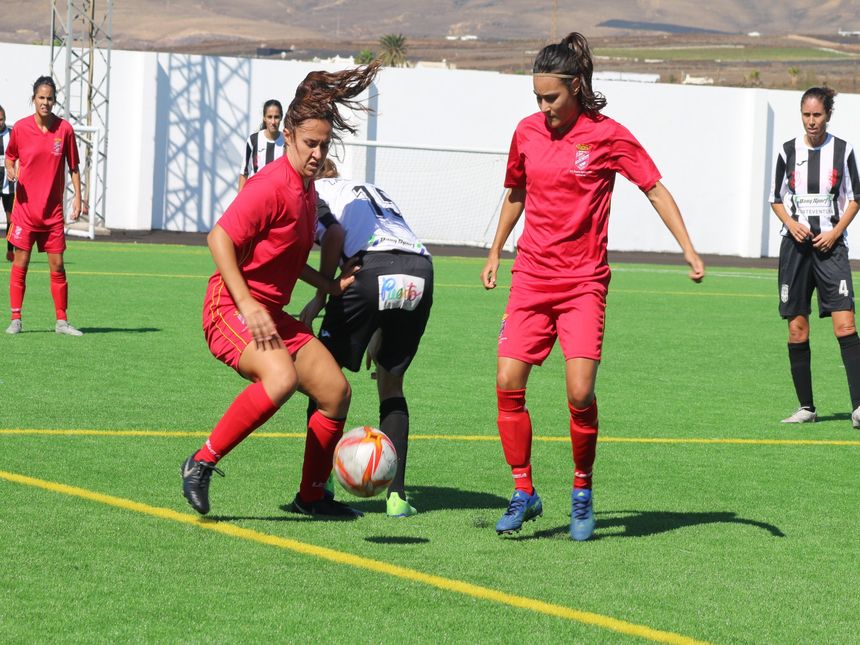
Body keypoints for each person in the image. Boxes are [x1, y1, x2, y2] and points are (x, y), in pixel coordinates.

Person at [481, 32, 704, 541]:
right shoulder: (527, 132)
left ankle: (582, 491)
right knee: (508, 382)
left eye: (552, 97)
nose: (544, 107)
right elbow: (517, 191)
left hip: (583, 283)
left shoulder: (609, 136)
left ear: (577, 87)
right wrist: (496, 249)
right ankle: (524, 491)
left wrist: (687, 248)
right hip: (531, 278)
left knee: (580, 392)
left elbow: (654, 188)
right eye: (537, 98)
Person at [180, 61, 382, 518]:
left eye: (324, 145)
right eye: (310, 143)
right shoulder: (270, 184)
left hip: (271, 313)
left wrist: (327, 283)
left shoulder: (307, 192)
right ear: (287, 135)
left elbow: (287, 261)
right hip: (229, 307)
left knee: (335, 392)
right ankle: (200, 462)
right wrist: (248, 303)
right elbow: (219, 239)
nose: (317, 153)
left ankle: (311, 496)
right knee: (282, 379)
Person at [300, 159, 434, 518]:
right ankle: (397, 498)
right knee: (391, 384)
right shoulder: (371, 189)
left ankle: (318, 485)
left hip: (369, 268)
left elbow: (334, 236)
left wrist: (320, 296)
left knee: (321, 380)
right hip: (419, 270)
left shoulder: (315, 192)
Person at [770, 87, 860, 427]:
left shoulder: (843, 149)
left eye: (817, 115)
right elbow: (775, 198)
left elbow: (856, 197)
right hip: (795, 250)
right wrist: (791, 224)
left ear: (828, 115)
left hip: (831, 248)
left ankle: (858, 407)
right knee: (797, 328)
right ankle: (806, 407)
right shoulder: (787, 150)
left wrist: (835, 232)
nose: (811, 121)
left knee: (845, 324)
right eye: (806, 115)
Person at [4, 76, 83, 336]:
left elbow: (74, 167)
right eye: (41, 98)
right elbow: (10, 154)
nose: (45, 103)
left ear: (54, 100)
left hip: (52, 214)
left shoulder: (65, 130)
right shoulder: (21, 129)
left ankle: (62, 322)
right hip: (25, 212)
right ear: (34, 99)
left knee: (58, 266)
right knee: (20, 264)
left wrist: (78, 198)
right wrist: (11, 168)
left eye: (49, 98)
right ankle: (16, 319)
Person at [238, 99, 284, 192]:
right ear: (264, 118)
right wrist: (240, 199)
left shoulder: (287, 141)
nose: (273, 121)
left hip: (278, 195)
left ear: (281, 117)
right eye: (269, 117)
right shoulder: (253, 140)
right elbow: (244, 172)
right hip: (256, 194)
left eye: (276, 117)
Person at [0, 105, 14, 262]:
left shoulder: (12, 134)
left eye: (1, 119)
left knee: (11, 220)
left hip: (9, 184)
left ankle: (10, 251)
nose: (0, 122)